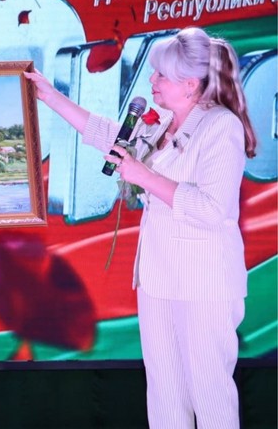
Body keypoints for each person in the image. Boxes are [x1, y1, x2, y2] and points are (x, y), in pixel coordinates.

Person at [25, 26, 256, 429]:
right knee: (165, 392)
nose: (152, 81)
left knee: (209, 392)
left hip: (203, 283)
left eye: (161, 75)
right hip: (157, 278)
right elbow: (108, 135)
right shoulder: (162, 123)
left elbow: (212, 209)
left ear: (190, 84)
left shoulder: (221, 126)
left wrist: (144, 176)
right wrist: (51, 96)